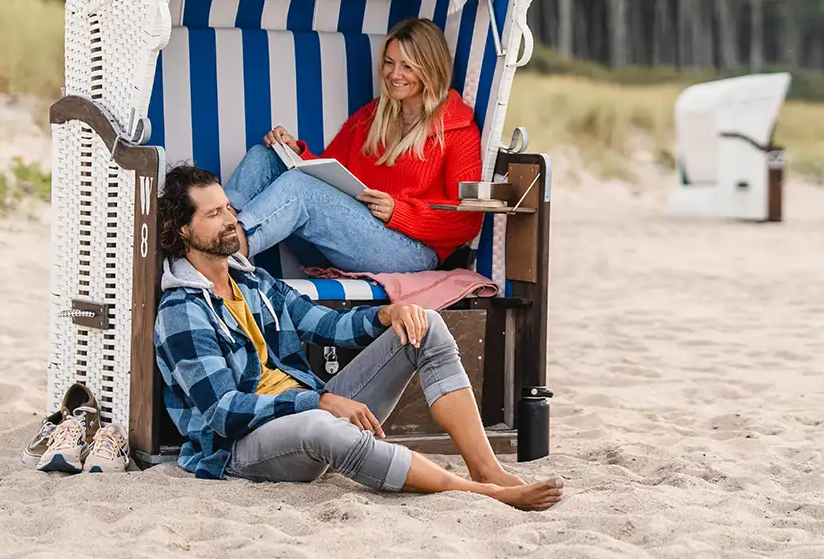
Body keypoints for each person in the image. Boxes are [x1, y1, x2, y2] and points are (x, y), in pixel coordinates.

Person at [152, 165, 565, 510]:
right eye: (212, 215)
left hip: (310, 414)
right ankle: (481, 493)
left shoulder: (254, 282)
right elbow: (224, 413)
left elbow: (325, 324)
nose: (229, 221)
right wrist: (319, 400)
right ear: (181, 230)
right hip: (243, 447)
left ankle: (486, 469)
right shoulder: (182, 311)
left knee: (424, 325)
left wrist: (388, 314)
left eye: (228, 208)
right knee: (321, 425)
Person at [224, 17, 483, 274]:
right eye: (389, 63)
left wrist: (399, 212)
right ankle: (214, 227)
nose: (395, 75)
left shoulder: (458, 129)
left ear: (430, 68)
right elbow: (326, 175)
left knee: (298, 188)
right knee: (264, 157)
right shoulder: (371, 116)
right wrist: (297, 153)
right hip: (346, 238)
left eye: (407, 67)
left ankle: (223, 251)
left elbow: (467, 222)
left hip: (413, 251)